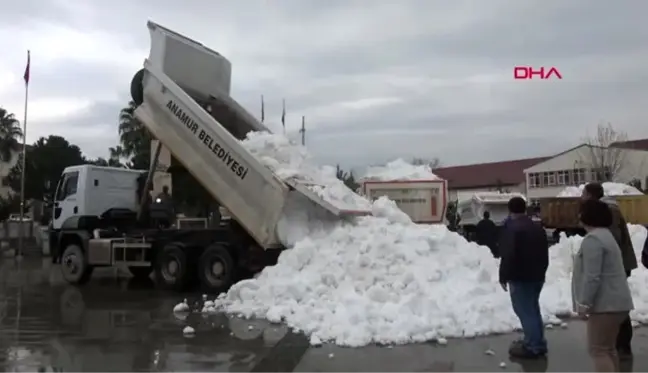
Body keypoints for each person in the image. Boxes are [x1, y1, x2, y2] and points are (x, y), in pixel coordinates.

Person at [572, 199, 634, 373]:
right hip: (617, 303)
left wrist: (584, 303)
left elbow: (592, 276)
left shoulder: (594, 239)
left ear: (588, 216)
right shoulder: (606, 235)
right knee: (608, 349)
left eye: (581, 211)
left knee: (598, 350)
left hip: (605, 305)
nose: (578, 215)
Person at [582, 182, 638, 359]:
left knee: (614, 306)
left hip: (617, 265)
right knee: (614, 306)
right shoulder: (606, 209)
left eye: (584, 193)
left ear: (590, 195)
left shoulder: (607, 211)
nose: (581, 196)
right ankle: (617, 344)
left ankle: (622, 345)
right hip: (617, 264)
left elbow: (613, 239)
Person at [499, 196, 549, 358]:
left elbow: (508, 254)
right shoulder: (537, 227)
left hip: (520, 276)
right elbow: (545, 252)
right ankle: (537, 341)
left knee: (525, 311)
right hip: (537, 275)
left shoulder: (512, 228)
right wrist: (542, 271)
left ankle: (533, 345)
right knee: (533, 309)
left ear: (510, 210)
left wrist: (503, 276)